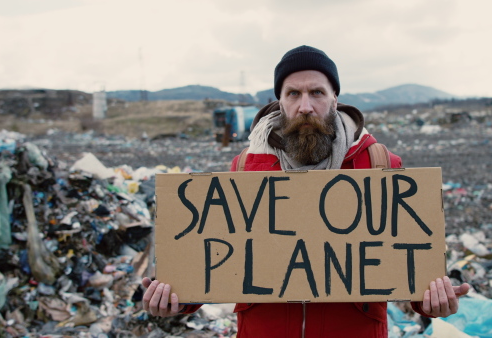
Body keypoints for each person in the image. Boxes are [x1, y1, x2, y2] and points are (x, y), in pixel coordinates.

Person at [143, 45, 470, 337]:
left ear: (335, 99)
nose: (305, 106)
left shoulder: (379, 163)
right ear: (279, 101)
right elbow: (217, 261)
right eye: (293, 94)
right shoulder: (245, 167)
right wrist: (179, 300)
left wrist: (432, 302)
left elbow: (406, 266)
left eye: (317, 92)